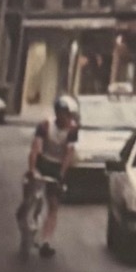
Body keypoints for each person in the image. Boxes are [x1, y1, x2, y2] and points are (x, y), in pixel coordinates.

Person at [23, 94, 78, 258]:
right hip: (42, 162)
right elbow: (35, 149)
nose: (64, 118)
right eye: (60, 113)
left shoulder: (72, 130)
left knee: (53, 205)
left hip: (57, 167)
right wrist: (32, 170)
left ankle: (46, 241)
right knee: (29, 193)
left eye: (66, 114)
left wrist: (61, 175)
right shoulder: (45, 125)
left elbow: (69, 154)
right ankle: (25, 217)